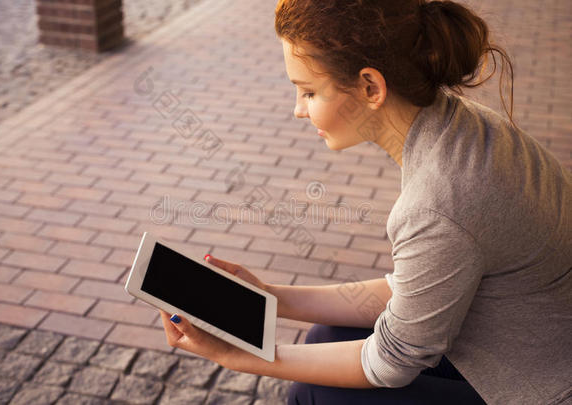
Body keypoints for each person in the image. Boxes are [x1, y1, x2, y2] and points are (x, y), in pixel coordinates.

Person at [160, 0, 572, 404]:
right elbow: (416, 286)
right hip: (522, 351)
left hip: (539, 388)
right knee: (326, 335)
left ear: (371, 87)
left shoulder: (438, 202)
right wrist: (270, 297)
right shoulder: (459, 125)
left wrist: (240, 356)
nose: (298, 111)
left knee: (315, 393)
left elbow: (392, 361)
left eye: (308, 92)